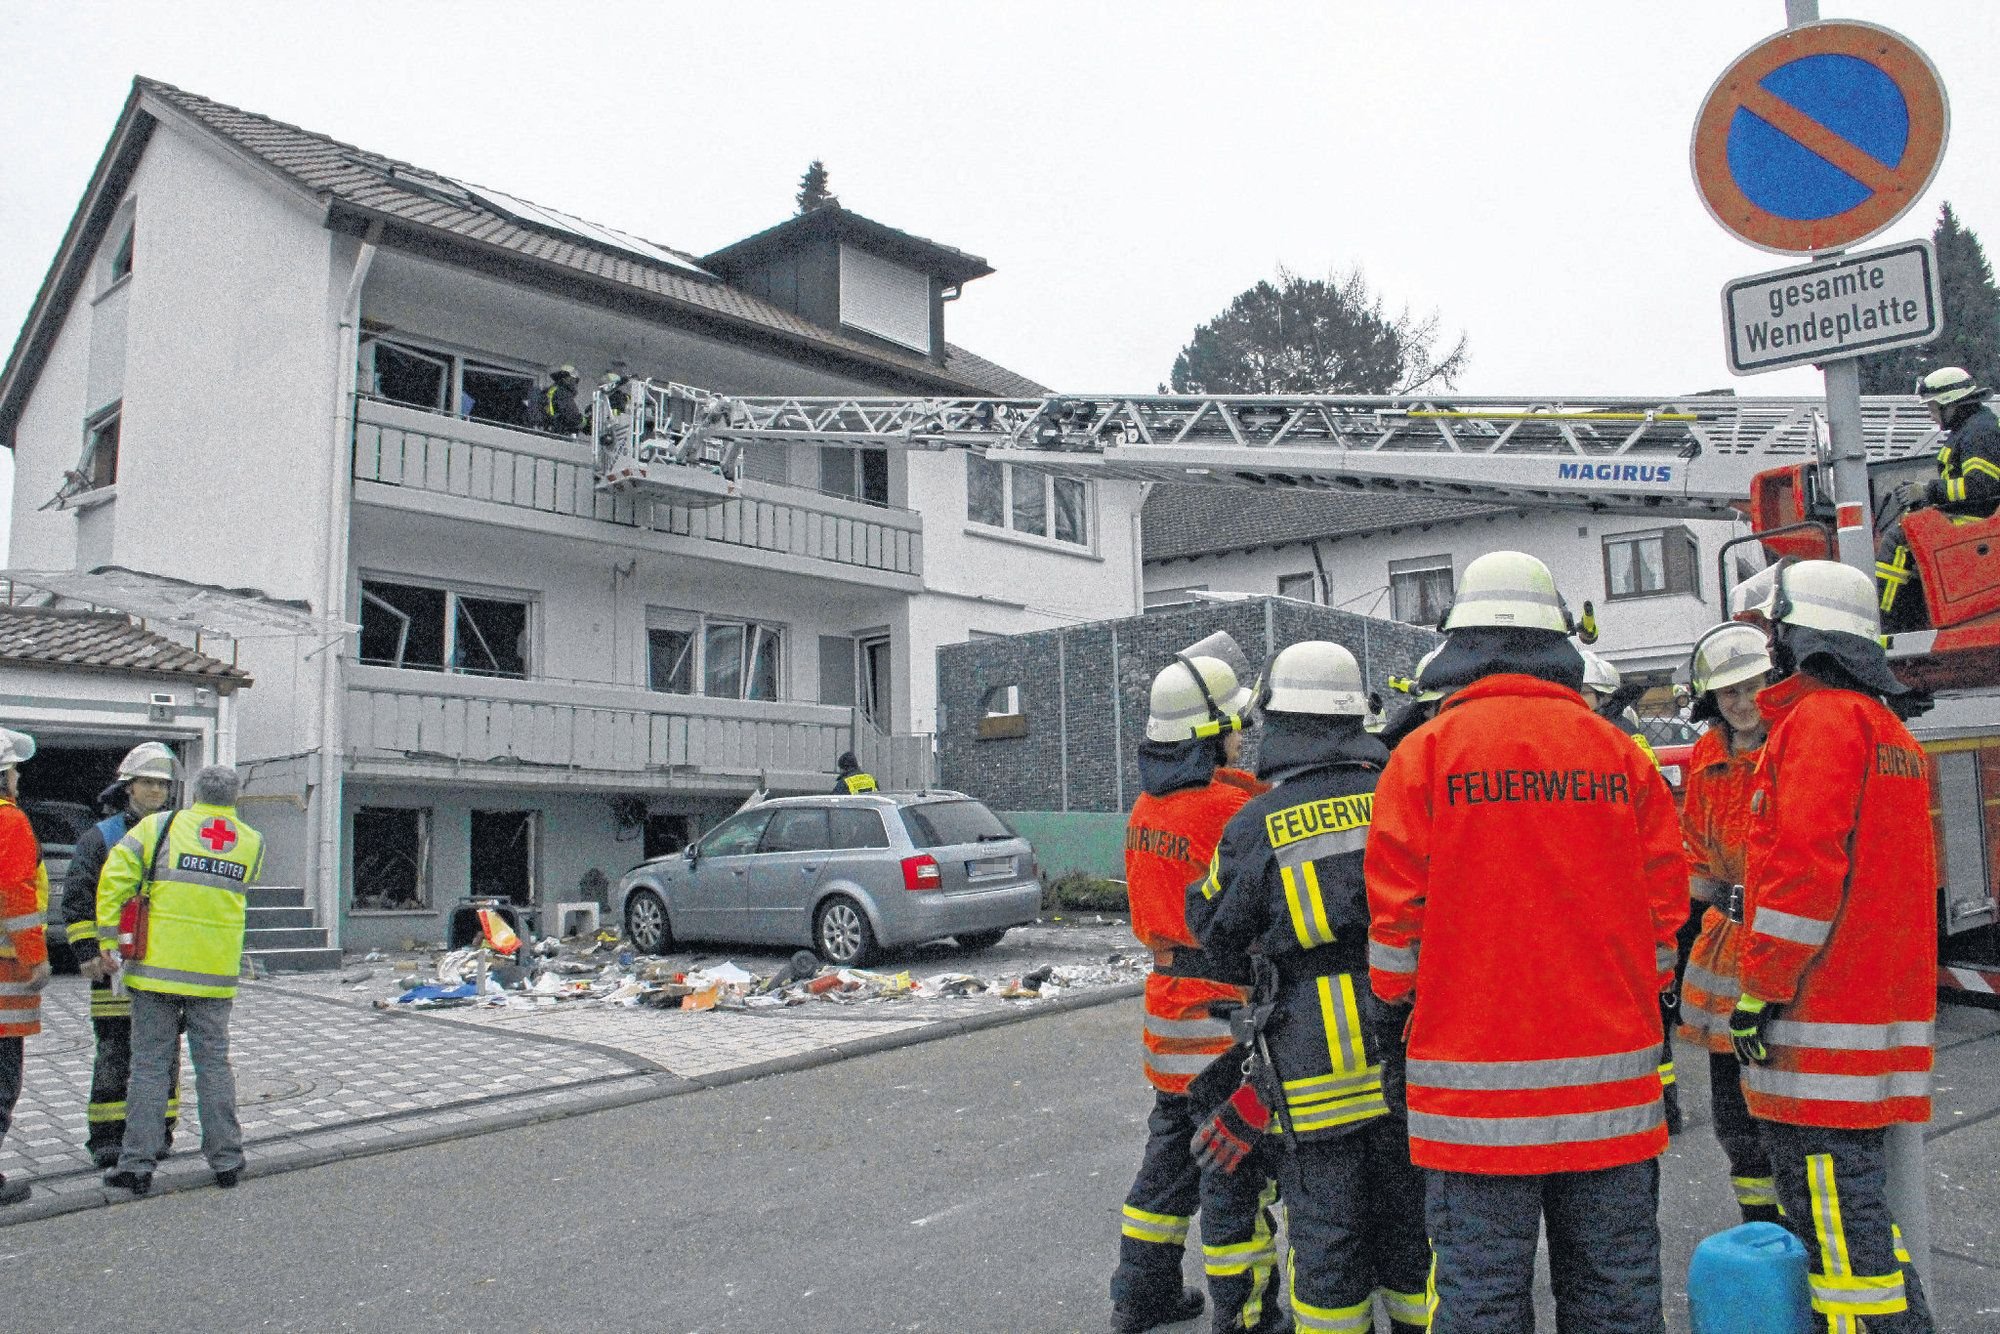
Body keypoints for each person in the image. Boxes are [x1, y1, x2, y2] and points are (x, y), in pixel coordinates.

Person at [1366, 550, 1687, 1333]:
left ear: (1462, 642)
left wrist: (1395, 1009)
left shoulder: (1423, 757)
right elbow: (1664, 916)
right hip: (1610, 1098)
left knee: (1482, 1302)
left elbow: (1395, 926)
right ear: (1557, 643)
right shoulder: (1620, 756)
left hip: (1471, 1101)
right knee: (1615, 1297)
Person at [1187, 641, 1431, 1334]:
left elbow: (1213, 924)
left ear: (1280, 722)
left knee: (1327, 1246)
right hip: (1406, 1049)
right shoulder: (1401, 796)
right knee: (1413, 1238)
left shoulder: (1256, 823)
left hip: (1309, 1065)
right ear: (1356, 716)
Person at [1732, 559, 1937, 1331]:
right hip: (1871, 1030)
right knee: (1860, 1231)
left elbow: (1800, 871)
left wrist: (1760, 990)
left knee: (1844, 1256)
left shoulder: (1818, 724)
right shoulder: (1888, 733)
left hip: (1817, 1036)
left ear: (1799, 637)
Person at [1111, 637, 1273, 1334]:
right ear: (1210, 736)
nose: (1245, 738)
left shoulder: (1146, 809)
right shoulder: (1231, 808)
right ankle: (1246, 1317)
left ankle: (1138, 1296)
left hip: (1167, 1012)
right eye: (1236, 726)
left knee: (1168, 1160)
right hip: (1220, 1013)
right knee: (1232, 1165)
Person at [100, 765, 264, 1195]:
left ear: (193, 793)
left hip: (156, 969)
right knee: (213, 1066)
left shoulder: (159, 826)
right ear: (236, 797)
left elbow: (114, 879)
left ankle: (137, 1167)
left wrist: (106, 938)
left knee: (150, 1067)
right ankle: (227, 1161)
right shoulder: (251, 841)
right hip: (214, 974)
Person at [1672, 623, 1783, 1225]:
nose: (1743, 703)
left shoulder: (1794, 745)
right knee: (1731, 1109)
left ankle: (1802, 1232)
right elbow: (1697, 855)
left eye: (1755, 686)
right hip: (1726, 940)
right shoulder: (1707, 756)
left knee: (1784, 1101)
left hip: (1785, 938)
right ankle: (1760, 1233)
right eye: (1729, 693)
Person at [58, 741, 183, 1166]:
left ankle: (158, 1134)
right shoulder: (103, 836)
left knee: (164, 1052)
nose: (156, 792)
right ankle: (108, 1139)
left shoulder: (178, 833)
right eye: (148, 783)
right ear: (128, 787)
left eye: (163, 784)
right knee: (114, 1050)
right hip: (114, 965)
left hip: (163, 962)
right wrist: (87, 952)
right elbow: (77, 899)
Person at [1876, 365, 2000, 632]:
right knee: (1912, 526)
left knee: (1901, 540)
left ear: (1951, 404)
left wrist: (1928, 491)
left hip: (1981, 523)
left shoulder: (1979, 432)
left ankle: (1886, 626)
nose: (1932, 415)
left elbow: (1983, 486)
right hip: (1978, 519)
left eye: (1932, 407)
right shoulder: (1972, 428)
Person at [0, 727, 49, 1206]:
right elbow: (17, 894)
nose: (18, 779)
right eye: (13, 771)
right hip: (4, 974)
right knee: (2, 1078)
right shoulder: (10, 822)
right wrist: (35, 957)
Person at [535, 364, 586, 435]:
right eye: (575, 380)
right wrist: (586, 423)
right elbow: (572, 416)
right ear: (567, 379)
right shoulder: (563, 393)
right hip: (558, 434)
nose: (575, 384)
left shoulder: (551, 390)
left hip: (547, 431)